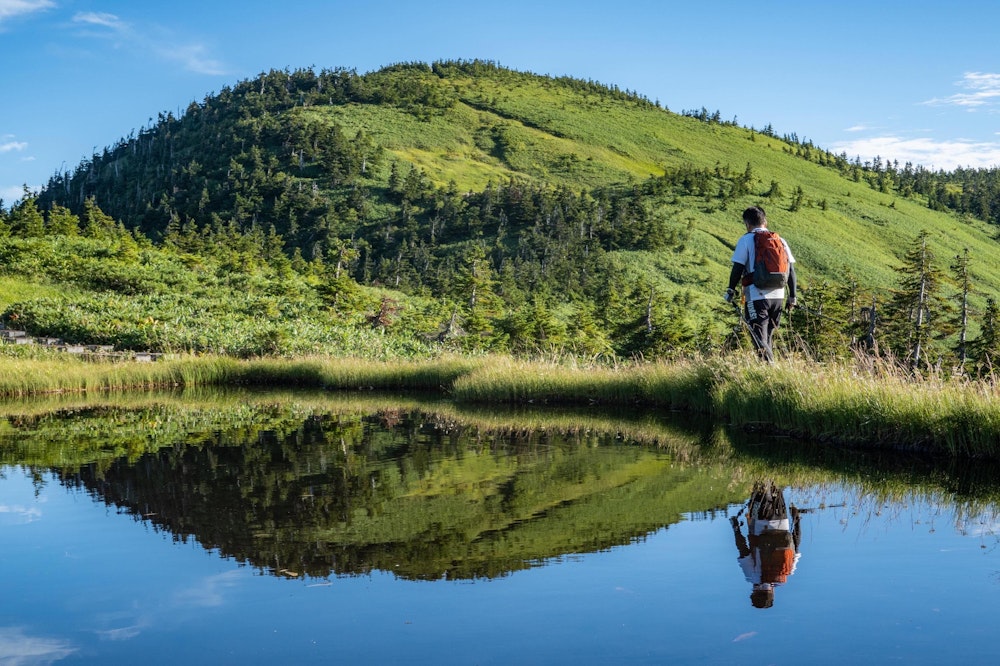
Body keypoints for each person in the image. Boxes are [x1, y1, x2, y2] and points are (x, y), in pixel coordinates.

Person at [725, 206, 796, 362]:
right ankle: (769, 369)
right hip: (778, 296)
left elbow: (738, 267)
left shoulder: (746, 239)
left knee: (758, 336)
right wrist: (793, 296)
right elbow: (791, 270)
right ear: (765, 221)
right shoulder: (780, 240)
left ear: (747, 224)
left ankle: (770, 369)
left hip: (756, 295)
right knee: (768, 336)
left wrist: (730, 290)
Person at [730, 480, 802, 609]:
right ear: (754, 592)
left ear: (772, 594)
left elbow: (796, 545)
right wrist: (736, 528)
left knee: (777, 487)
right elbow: (743, 550)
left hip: (782, 520)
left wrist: (796, 520)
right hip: (759, 522)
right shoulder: (753, 576)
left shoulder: (786, 575)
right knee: (758, 486)